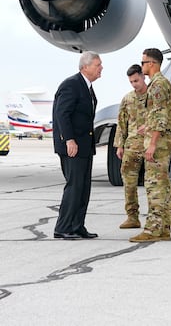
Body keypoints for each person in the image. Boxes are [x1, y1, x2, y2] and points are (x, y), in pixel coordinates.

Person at [130, 48, 171, 242]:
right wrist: (149, 126)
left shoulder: (158, 85)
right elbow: (170, 113)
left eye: (143, 62)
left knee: (154, 187)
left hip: (158, 144)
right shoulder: (160, 84)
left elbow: (161, 116)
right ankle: (162, 229)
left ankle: (153, 230)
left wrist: (152, 142)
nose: (142, 65)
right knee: (160, 184)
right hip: (160, 139)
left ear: (151, 64)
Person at [52, 51, 102, 240]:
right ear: (85, 67)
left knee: (83, 187)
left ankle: (77, 225)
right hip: (73, 146)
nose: (101, 68)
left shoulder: (87, 87)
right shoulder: (71, 85)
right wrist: (69, 140)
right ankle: (63, 227)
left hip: (84, 146)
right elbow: (62, 114)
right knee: (74, 186)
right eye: (98, 65)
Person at [114, 64, 148, 229]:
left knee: (157, 182)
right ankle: (132, 216)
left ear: (143, 76)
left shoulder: (154, 96)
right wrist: (120, 145)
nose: (134, 84)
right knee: (129, 181)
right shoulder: (128, 99)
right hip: (132, 146)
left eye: (136, 80)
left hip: (151, 145)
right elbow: (121, 124)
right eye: (131, 82)